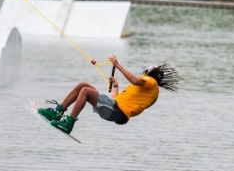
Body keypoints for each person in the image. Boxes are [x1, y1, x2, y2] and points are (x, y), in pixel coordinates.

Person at [38, 55, 179, 134]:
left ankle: (68, 123)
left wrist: (118, 66)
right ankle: (58, 112)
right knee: (83, 85)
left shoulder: (150, 81)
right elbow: (116, 99)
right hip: (117, 110)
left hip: (118, 111)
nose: (143, 75)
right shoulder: (148, 91)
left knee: (85, 91)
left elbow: (135, 81)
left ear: (149, 74)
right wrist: (116, 86)